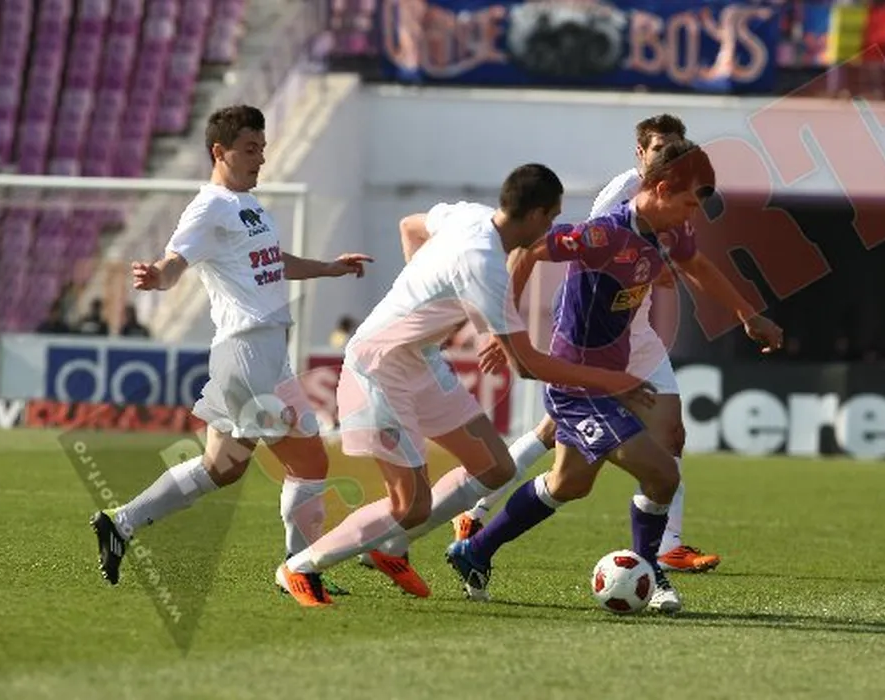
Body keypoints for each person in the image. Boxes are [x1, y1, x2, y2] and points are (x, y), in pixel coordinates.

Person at [274, 164, 656, 607]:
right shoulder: (486, 264)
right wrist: (613, 381)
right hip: (378, 366)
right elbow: (526, 364)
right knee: (408, 506)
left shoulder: (468, 215)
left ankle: (389, 546)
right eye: (552, 218)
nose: (550, 229)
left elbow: (410, 225)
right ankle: (300, 566)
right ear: (536, 215)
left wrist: (425, 301)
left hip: (421, 360)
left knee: (495, 467)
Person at [446, 141, 783, 611]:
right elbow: (527, 250)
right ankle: (651, 570)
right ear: (661, 190)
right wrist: (506, 326)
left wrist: (748, 314)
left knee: (569, 483)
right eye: (688, 203)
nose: (692, 215)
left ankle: (475, 551)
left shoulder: (669, 233)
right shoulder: (604, 234)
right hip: (578, 384)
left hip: (612, 377)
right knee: (662, 474)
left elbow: (697, 266)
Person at [89, 105, 372, 604]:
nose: (260, 159)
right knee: (308, 461)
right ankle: (299, 570)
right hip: (247, 353)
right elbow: (176, 260)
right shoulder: (209, 207)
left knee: (223, 467)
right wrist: (158, 277)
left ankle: (122, 521)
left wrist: (328, 268)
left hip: (263, 354)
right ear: (219, 152)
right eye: (249, 149)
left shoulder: (249, 206)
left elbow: (272, 262)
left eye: (262, 149)